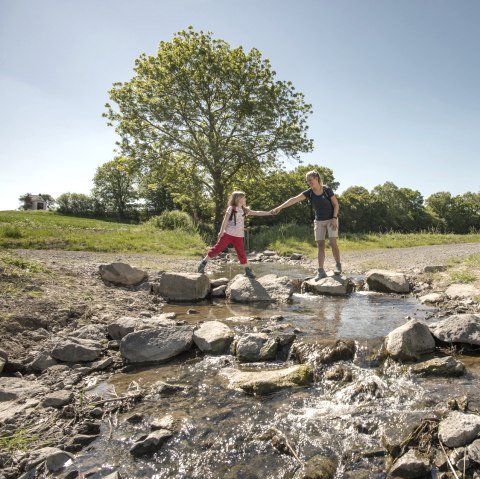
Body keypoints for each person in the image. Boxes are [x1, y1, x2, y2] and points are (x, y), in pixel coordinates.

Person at [272, 170, 342, 280]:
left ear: (317, 178)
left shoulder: (327, 190)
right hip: (319, 221)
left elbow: (336, 204)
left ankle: (338, 264)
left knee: (333, 242)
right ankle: (320, 270)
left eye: (310, 180)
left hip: (331, 219)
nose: (309, 182)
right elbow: (294, 199)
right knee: (320, 245)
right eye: (307, 181)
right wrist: (279, 207)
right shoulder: (309, 192)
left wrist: (334, 218)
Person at [197, 191, 273, 278]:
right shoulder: (231, 208)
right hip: (228, 234)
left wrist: (269, 212)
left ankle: (247, 271)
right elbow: (225, 221)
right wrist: (221, 232)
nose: (245, 199)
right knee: (217, 249)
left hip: (239, 236)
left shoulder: (245, 210)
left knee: (241, 254)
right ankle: (203, 263)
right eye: (243, 197)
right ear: (238, 199)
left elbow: (257, 213)